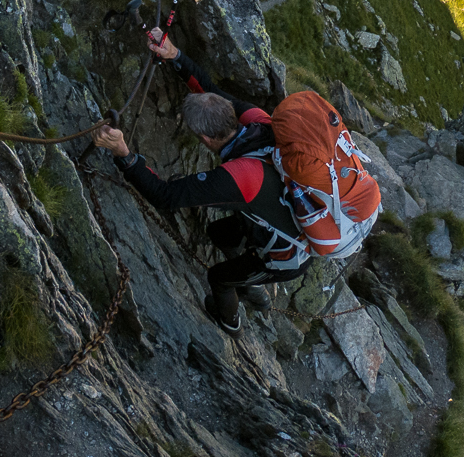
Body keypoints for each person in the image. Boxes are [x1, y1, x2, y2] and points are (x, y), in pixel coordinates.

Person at [91, 28, 310, 334]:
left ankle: (231, 322)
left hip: (289, 255)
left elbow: (165, 196)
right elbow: (208, 88)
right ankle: (251, 283)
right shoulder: (259, 120)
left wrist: (123, 153)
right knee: (219, 232)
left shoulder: (240, 177)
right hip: (292, 216)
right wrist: (173, 55)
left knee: (219, 278)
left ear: (206, 139)